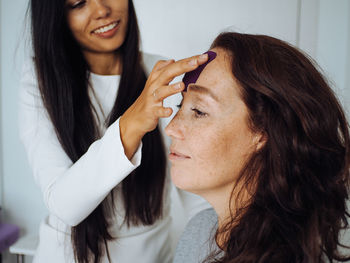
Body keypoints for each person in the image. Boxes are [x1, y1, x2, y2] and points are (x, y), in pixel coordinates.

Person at [18, 0, 209, 262]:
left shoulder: (164, 73)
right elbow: (65, 206)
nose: (102, 10)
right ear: (56, 16)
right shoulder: (40, 80)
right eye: (78, 3)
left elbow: (199, 195)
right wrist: (133, 122)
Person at [166, 32, 350, 263]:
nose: (171, 128)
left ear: (262, 132)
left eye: (199, 111)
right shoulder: (199, 232)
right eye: (180, 105)